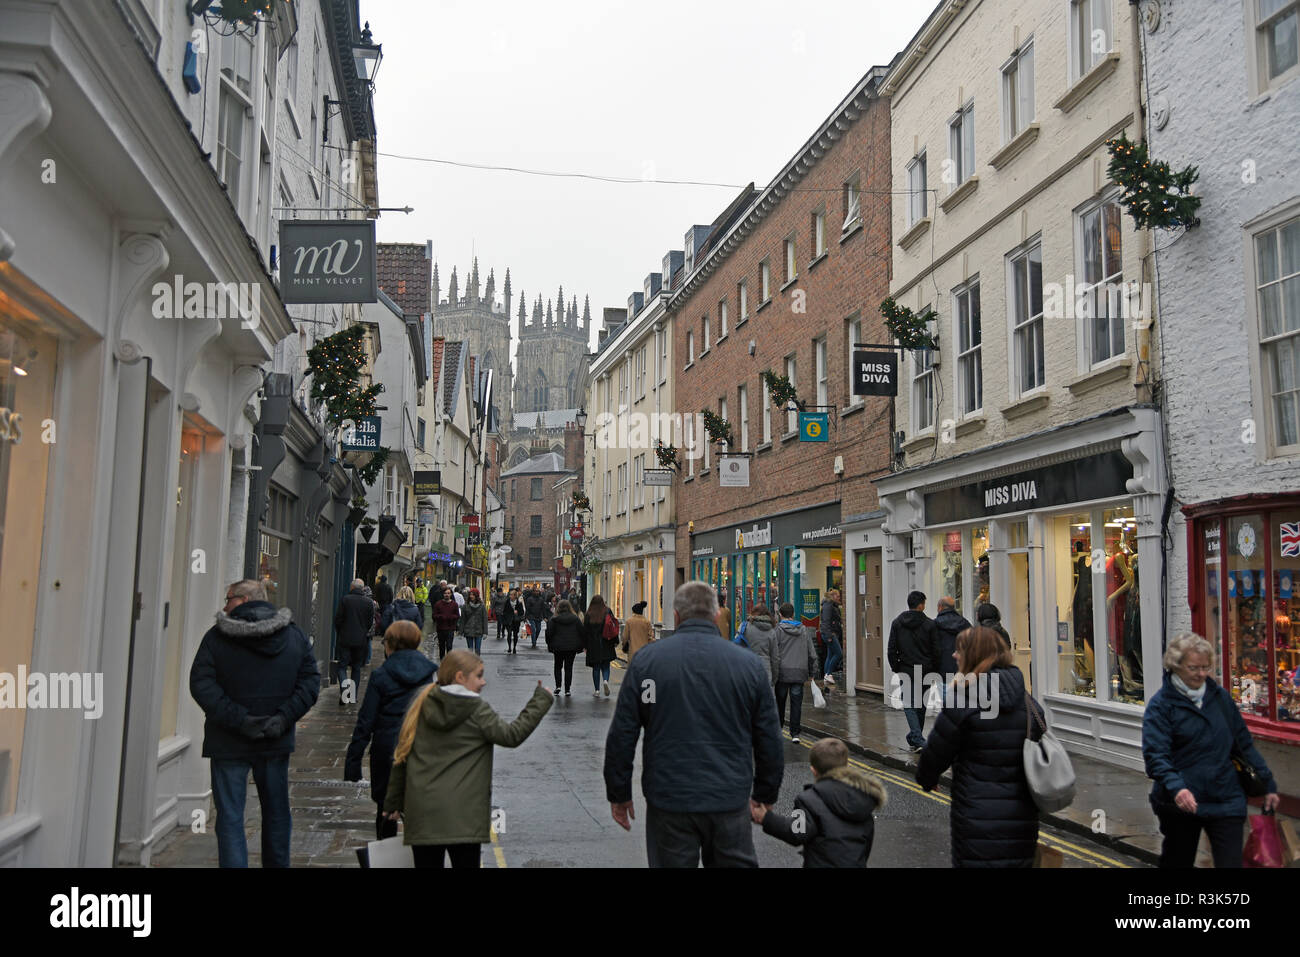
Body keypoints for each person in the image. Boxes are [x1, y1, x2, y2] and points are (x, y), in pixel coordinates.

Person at [604, 582, 784, 867]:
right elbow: (769, 738)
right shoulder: (748, 666)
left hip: (669, 798)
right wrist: (765, 793)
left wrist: (619, 793)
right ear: (716, 616)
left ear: (675, 616)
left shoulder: (647, 663)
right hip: (729, 798)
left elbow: (623, 734)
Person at [189, 579, 320, 867]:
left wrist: (238, 719)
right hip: (274, 739)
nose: (224, 606)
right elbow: (310, 683)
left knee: (230, 818)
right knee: (276, 814)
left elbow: (201, 684)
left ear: (245, 600)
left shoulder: (216, 637)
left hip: (228, 741)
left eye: (229, 598)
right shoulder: (294, 635)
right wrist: (283, 718)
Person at [384, 650, 553, 868]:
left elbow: (402, 756)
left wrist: (393, 802)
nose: (483, 682)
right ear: (460, 677)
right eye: (479, 675)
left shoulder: (422, 704)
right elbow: (511, 736)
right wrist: (540, 699)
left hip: (423, 813)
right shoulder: (476, 709)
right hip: (463, 816)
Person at [1142, 632, 1280, 868]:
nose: (1202, 674)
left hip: (1224, 796)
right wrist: (1177, 788)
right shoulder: (1162, 705)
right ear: (1175, 666)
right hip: (1182, 802)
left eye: (1206, 667)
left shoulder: (1220, 698)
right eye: (1194, 668)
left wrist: (1267, 785)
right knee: (1178, 860)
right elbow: (1156, 755)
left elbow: (1243, 744)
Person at [915, 626, 1040, 867]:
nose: (953, 655)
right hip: (1021, 815)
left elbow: (936, 753)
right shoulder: (1025, 699)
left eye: (959, 649)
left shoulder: (963, 699)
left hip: (976, 814)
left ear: (974, 655)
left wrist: (927, 779)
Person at [344, 621, 435, 840]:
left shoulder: (381, 675)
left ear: (390, 645)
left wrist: (353, 763)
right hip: (418, 747)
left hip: (387, 751)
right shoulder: (427, 674)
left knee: (385, 810)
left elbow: (366, 721)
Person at [753, 737, 887, 867]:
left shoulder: (807, 799)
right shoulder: (864, 798)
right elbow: (866, 844)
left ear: (813, 770)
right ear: (846, 765)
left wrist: (766, 818)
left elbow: (795, 832)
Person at [887, 590, 940, 751]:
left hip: (906, 669)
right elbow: (936, 650)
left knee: (910, 703)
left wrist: (896, 667)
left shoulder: (897, 623)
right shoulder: (930, 624)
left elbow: (891, 649)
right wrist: (934, 669)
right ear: (922, 605)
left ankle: (914, 737)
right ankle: (917, 738)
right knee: (920, 704)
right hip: (925, 670)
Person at [773, 602, 820, 744]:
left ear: (780, 615)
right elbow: (812, 653)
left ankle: (779, 729)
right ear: (793, 614)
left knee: (780, 703)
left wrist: (774, 672)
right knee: (796, 704)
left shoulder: (778, 630)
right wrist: (813, 671)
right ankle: (795, 733)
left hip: (782, 672)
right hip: (799, 672)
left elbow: (774, 653)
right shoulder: (803, 629)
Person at [334, 579, 374, 705]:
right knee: (356, 668)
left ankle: (345, 689)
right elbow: (369, 622)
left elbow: (338, 619)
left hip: (345, 638)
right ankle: (352, 696)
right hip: (360, 640)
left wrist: (341, 631)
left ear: (352, 587)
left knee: (342, 666)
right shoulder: (368, 602)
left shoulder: (345, 600)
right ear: (362, 589)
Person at [737, 603, 780, 689]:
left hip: (747, 668)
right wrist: (774, 678)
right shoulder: (772, 631)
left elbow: (737, 648)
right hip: (765, 670)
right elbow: (775, 658)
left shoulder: (744, 627)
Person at [547, 599, 585, 695]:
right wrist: (581, 645)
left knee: (558, 666)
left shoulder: (554, 619)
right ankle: (567, 689)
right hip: (571, 647)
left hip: (558, 647)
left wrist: (549, 644)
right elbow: (582, 632)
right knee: (568, 668)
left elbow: (549, 633)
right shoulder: (575, 619)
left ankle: (558, 686)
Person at [584, 595, 619, 698]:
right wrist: (616, 641)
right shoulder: (607, 611)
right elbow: (613, 626)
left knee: (596, 668)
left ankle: (597, 690)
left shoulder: (589, 613)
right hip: (606, 642)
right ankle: (605, 681)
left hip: (593, 644)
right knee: (606, 665)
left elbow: (585, 631)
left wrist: (585, 645)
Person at [933, 596, 972, 682]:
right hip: (962, 669)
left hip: (940, 670)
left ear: (940, 607)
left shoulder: (934, 624)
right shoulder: (965, 623)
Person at [820, 589, 845, 688]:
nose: (839, 598)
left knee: (830, 656)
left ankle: (826, 675)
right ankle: (828, 674)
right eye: (838, 596)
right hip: (830, 634)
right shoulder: (828, 605)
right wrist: (829, 635)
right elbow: (826, 621)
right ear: (833, 596)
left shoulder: (831, 605)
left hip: (831, 633)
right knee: (839, 654)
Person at [431, 586, 461, 663]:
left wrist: (451, 617)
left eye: (448, 593)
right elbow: (434, 616)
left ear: (451, 594)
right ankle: (442, 661)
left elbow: (457, 616)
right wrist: (441, 617)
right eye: (445, 593)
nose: (447, 595)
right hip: (441, 628)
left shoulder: (454, 604)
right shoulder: (438, 604)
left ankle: (449, 661)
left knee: (449, 645)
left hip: (450, 628)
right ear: (443, 594)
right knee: (441, 646)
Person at [460, 588, 488, 655]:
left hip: (478, 630)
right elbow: (462, 619)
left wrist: (485, 632)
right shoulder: (465, 606)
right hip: (468, 630)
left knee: (477, 650)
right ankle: (471, 664)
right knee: (470, 650)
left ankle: (477, 663)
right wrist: (460, 632)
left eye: (473, 595)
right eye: (470, 594)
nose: (471, 596)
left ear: (477, 596)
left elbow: (484, 619)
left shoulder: (482, 606)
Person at [504, 589, 525, 654]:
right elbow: (504, 611)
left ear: (515, 596)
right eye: (510, 595)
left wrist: (517, 612)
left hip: (516, 621)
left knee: (515, 635)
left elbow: (522, 612)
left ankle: (514, 647)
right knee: (509, 633)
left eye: (511, 595)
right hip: (509, 620)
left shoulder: (519, 603)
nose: (510, 596)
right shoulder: (507, 602)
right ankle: (509, 647)